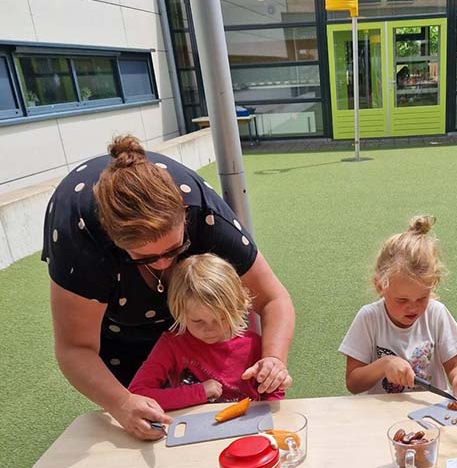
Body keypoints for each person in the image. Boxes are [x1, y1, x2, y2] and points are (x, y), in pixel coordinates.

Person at [42, 135, 294, 440]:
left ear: (185, 217)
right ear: (114, 243)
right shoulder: (82, 239)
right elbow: (75, 348)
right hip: (119, 340)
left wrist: (274, 359)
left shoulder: (205, 214)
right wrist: (121, 402)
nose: (163, 265)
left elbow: (273, 299)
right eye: (145, 257)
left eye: (176, 249)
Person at [338, 215, 457, 407]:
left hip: (430, 409)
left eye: (422, 298)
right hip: (382, 411)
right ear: (380, 286)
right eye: (402, 300)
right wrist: (384, 364)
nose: (413, 307)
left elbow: (456, 366)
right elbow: (353, 383)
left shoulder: (436, 313)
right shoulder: (369, 318)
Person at [129, 254, 288, 410]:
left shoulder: (255, 344)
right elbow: (138, 394)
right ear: (179, 313)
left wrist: (275, 382)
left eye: (220, 319)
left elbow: (273, 394)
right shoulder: (171, 345)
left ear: (236, 308)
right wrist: (199, 392)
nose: (210, 329)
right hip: (192, 428)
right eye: (197, 321)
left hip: (245, 427)